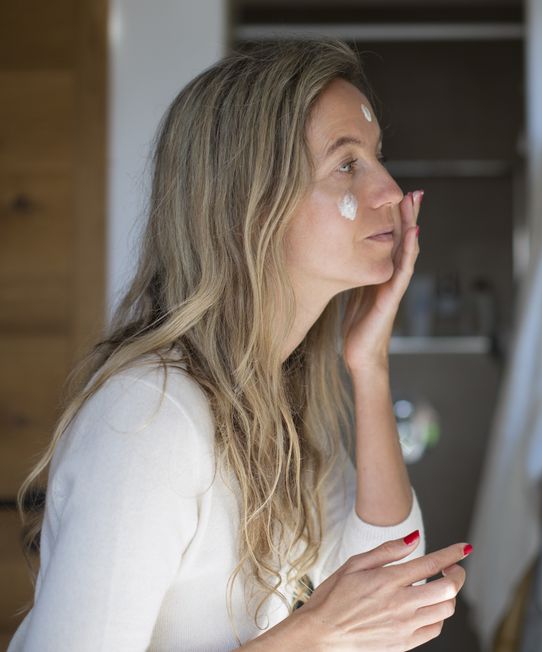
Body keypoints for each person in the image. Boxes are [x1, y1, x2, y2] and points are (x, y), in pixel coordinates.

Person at [10, 39, 470, 651]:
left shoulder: (284, 399)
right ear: (250, 206)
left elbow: (387, 596)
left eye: (377, 157)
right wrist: (314, 634)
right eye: (346, 164)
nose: (389, 189)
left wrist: (370, 365)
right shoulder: (148, 418)